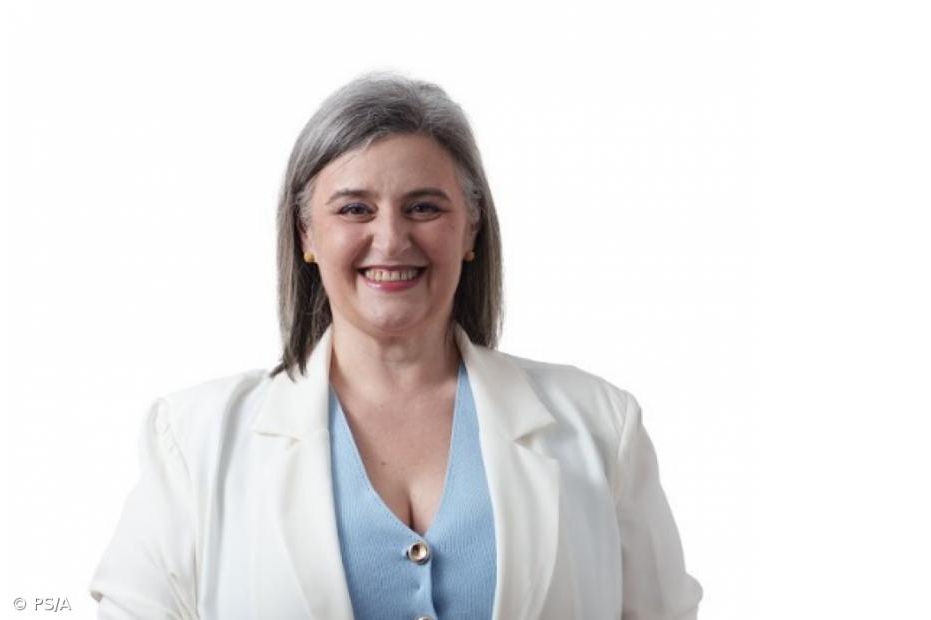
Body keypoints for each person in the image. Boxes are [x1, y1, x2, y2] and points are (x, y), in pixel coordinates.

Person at [89, 71, 703, 620]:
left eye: (424, 207)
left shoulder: (601, 425)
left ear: (471, 229)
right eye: (355, 208)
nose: (390, 239)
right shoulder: (192, 440)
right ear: (306, 235)